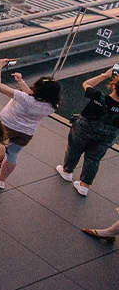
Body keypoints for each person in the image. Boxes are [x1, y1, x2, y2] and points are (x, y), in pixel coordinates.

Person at [0, 58, 60, 189]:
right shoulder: (53, 106)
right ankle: (0, 180)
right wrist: (21, 81)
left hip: (5, 125)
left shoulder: (23, 98)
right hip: (26, 133)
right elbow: (34, 96)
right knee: (13, 155)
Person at [57, 64, 119, 197]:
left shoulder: (99, 96)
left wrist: (105, 75)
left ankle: (67, 171)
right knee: (94, 159)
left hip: (84, 129)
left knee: (74, 149)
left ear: (114, 86)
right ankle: (84, 186)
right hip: (107, 137)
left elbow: (86, 83)